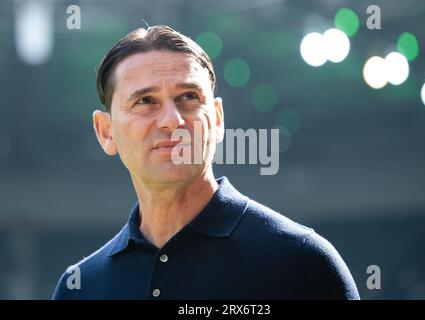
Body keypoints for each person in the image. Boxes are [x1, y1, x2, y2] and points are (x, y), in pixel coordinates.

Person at [52, 25, 360, 300]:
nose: (172, 120)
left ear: (217, 119)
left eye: (188, 97)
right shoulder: (80, 287)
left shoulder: (303, 263)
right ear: (106, 132)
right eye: (145, 101)